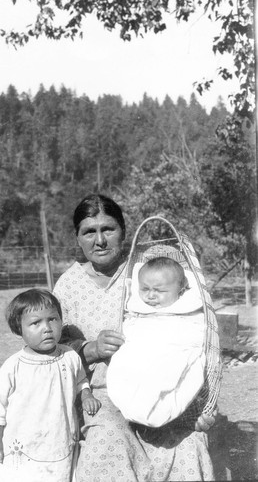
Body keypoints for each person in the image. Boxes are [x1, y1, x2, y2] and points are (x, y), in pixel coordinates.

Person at [53, 193, 218, 482]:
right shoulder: (68, 285)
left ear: (124, 232)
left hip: (163, 389)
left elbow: (196, 339)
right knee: (108, 446)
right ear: (77, 238)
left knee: (187, 447)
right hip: (100, 397)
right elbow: (50, 350)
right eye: (89, 232)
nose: (100, 240)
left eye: (108, 229)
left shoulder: (147, 272)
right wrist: (89, 349)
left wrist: (204, 405)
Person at [0, 288, 101, 482]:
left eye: (52, 319)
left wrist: (86, 395)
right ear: (19, 328)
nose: (46, 328)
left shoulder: (70, 357)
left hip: (58, 438)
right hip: (23, 443)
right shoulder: (14, 366)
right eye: (35, 323)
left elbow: (80, 381)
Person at [107, 257, 207, 428]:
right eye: (144, 289)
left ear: (181, 289)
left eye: (159, 291)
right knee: (123, 367)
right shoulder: (138, 308)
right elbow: (131, 330)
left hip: (173, 353)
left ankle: (159, 410)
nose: (150, 295)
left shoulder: (188, 309)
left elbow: (196, 336)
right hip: (141, 354)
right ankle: (134, 407)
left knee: (169, 374)